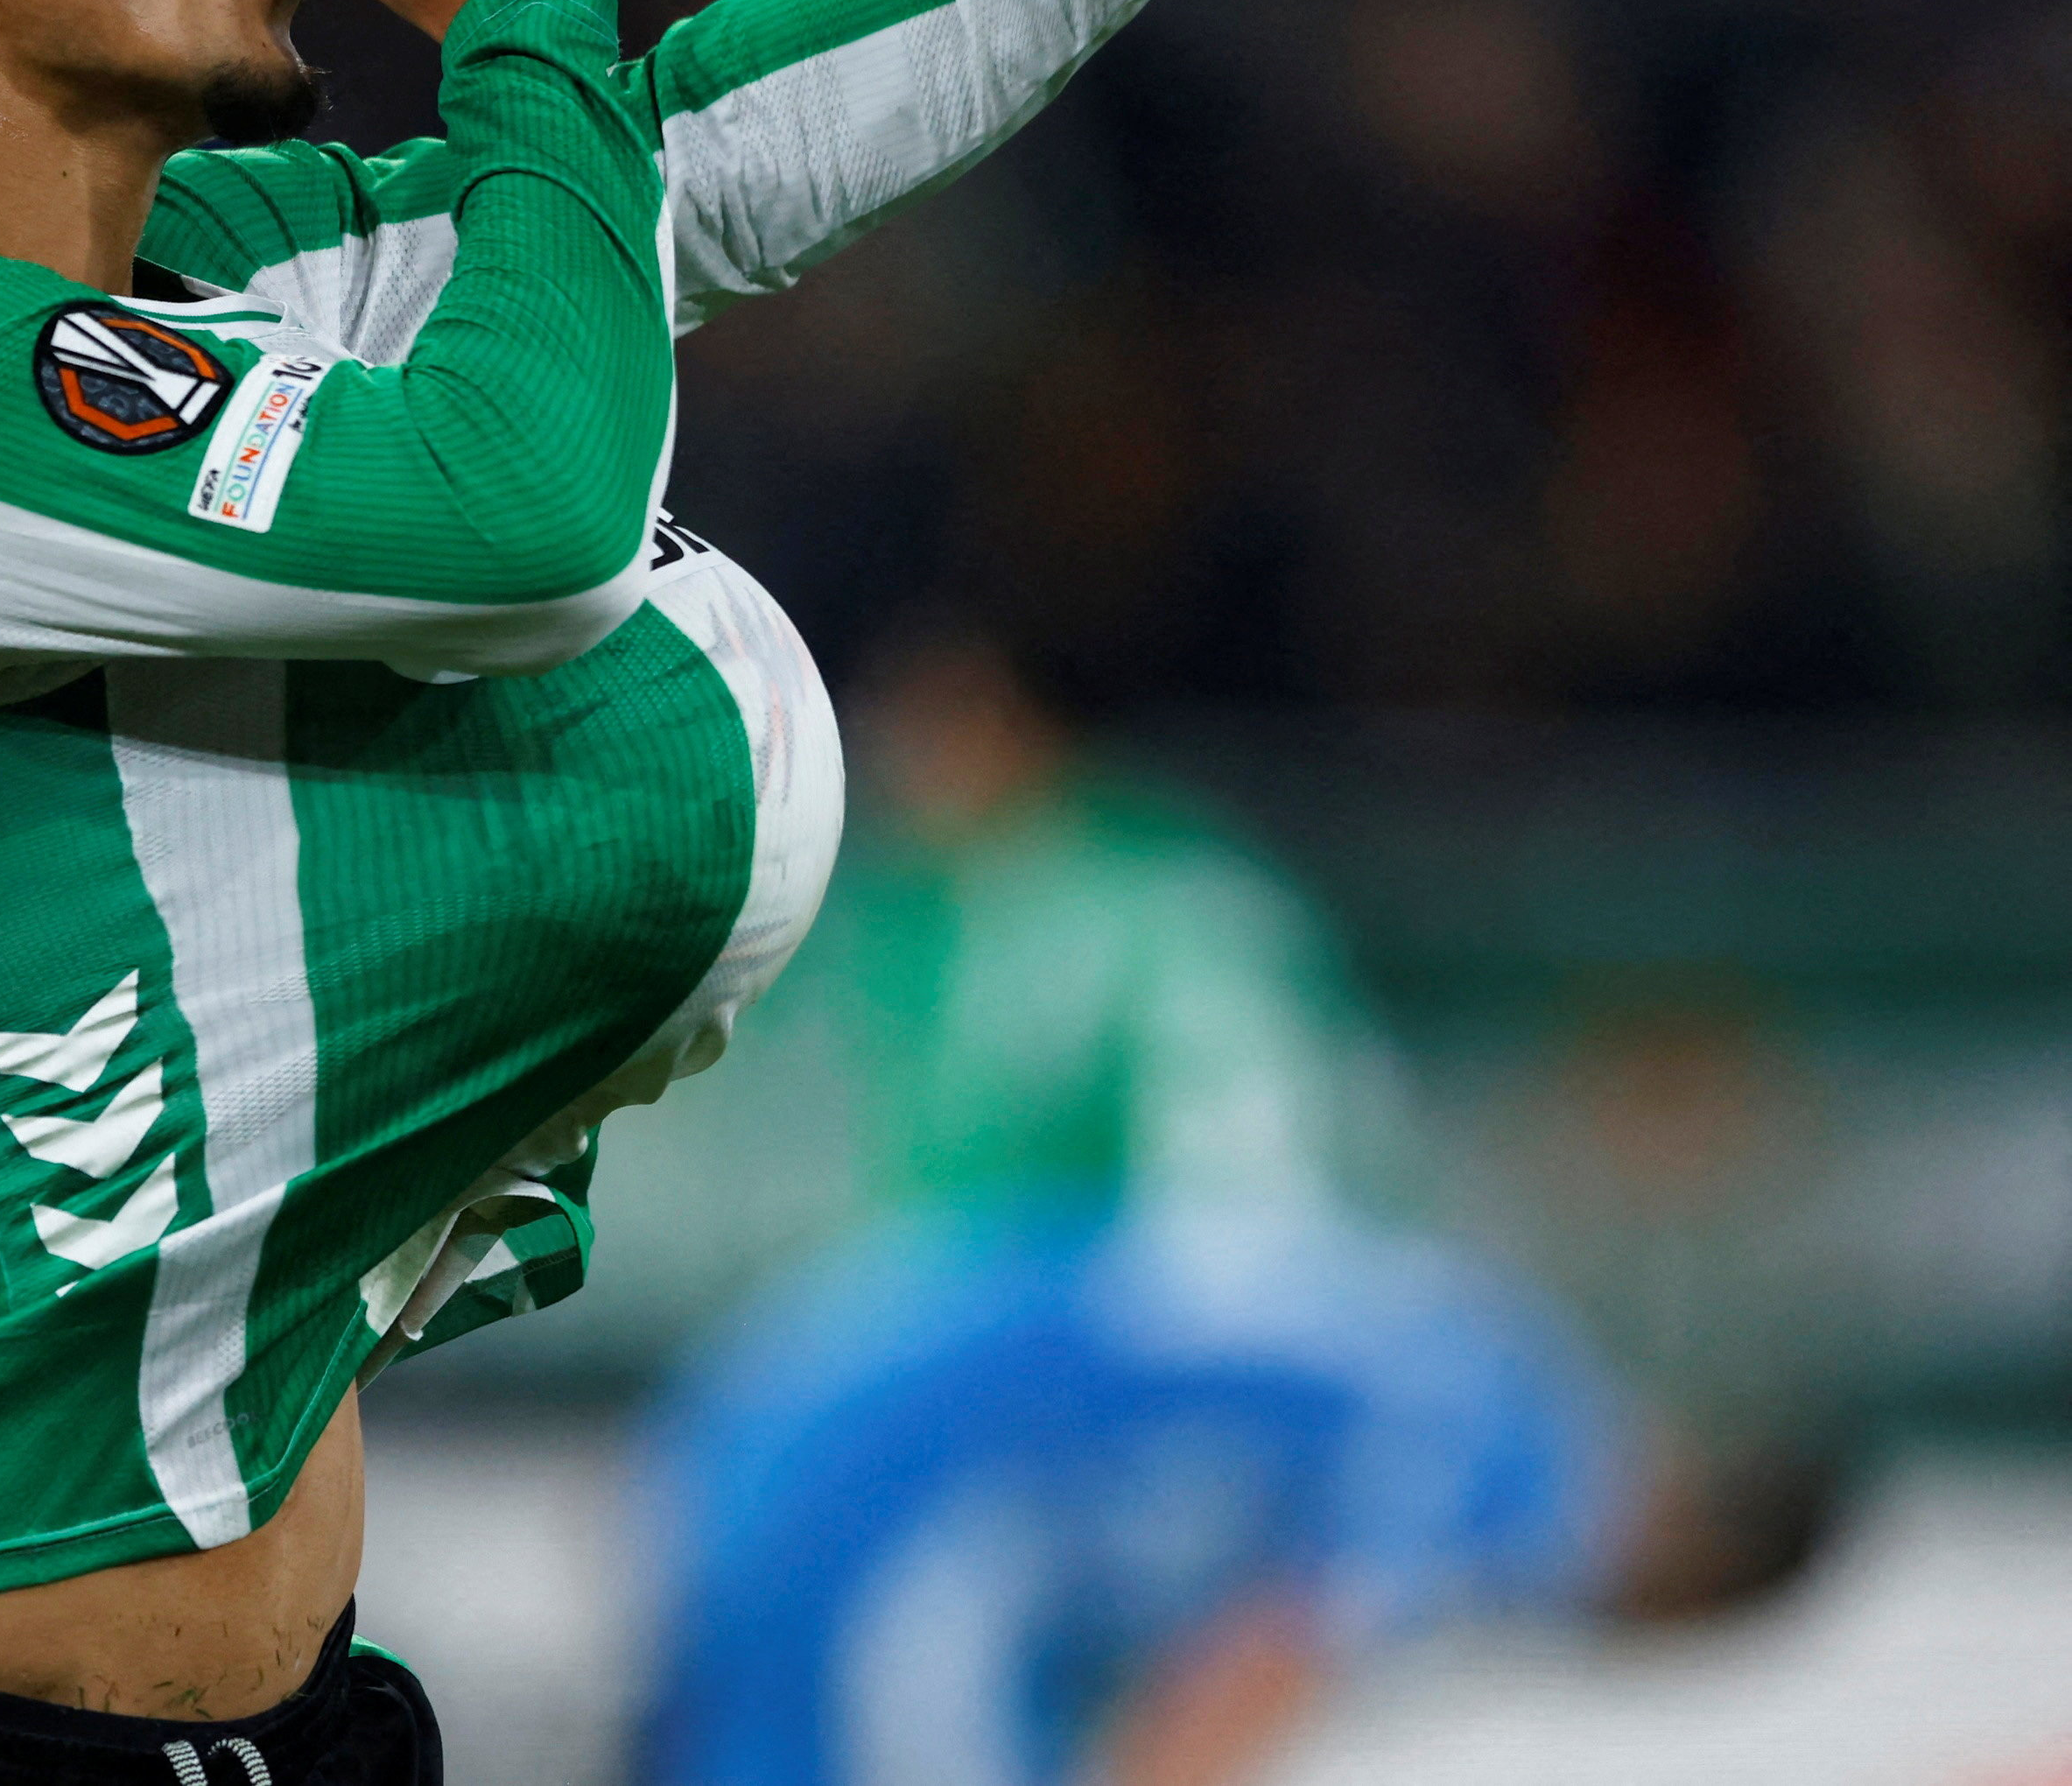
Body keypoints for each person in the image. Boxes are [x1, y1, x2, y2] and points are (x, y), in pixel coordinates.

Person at [0, 0, 1487, 1783]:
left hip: (284, 1725)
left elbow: (689, 156)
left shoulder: (187, 273)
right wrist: (521, 27)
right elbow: (526, 516)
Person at [633, 627, 1837, 1786]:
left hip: (823, 1391)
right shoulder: (1504, 1478)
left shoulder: (1482, 1351)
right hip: (895, 1490)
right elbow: (1257, 1670)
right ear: (1690, 1551)